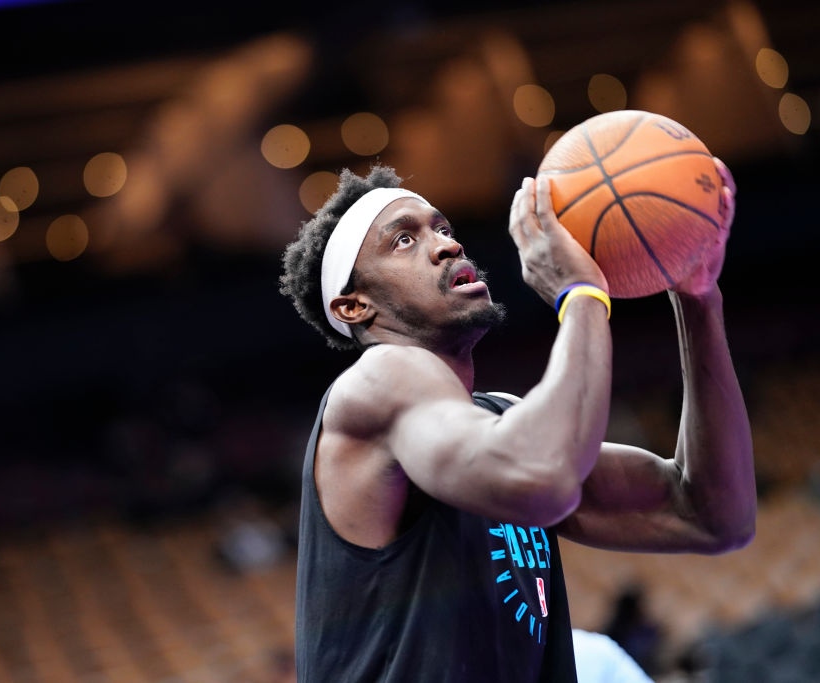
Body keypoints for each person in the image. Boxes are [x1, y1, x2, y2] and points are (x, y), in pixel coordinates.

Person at [278, 163, 755, 682]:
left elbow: (712, 516)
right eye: (403, 240)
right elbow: (541, 479)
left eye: (442, 229)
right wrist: (581, 295)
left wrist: (697, 296)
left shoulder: (501, 419)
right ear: (354, 307)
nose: (445, 245)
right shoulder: (377, 379)